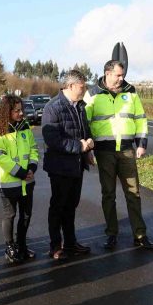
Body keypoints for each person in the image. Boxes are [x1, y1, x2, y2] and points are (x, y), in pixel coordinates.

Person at [84, 60, 153, 250]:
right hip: (104, 151)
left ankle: (140, 235)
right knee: (108, 194)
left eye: (122, 75)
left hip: (127, 150)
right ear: (107, 73)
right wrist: (89, 150)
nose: (122, 78)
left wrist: (141, 144)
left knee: (133, 193)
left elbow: (140, 119)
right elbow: (85, 122)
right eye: (118, 75)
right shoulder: (92, 93)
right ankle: (111, 234)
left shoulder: (131, 92)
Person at [42, 70, 94, 261]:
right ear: (71, 86)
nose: (84, 89)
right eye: (82, 86)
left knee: (71, 206)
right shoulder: (53, 107)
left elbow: (85, 130)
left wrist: (89, 147)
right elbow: (53, 140)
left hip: (76, 165)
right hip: (60, 167)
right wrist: (79, 146)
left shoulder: (80, 106)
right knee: (58, 206)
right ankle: (55, 246)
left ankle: (70, 243)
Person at [0, 95, 39, 262]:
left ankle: (22, 245)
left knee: (26, 215)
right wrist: (20, 172)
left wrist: (31, 168)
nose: (21, 114)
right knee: (10, 215)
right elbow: (0, 156)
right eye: (16, 110)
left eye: (21, 110)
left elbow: (33, 149)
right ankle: (10, 247)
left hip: (27, 181)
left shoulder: (25, 127)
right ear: (7, 111)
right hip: (8, 182)